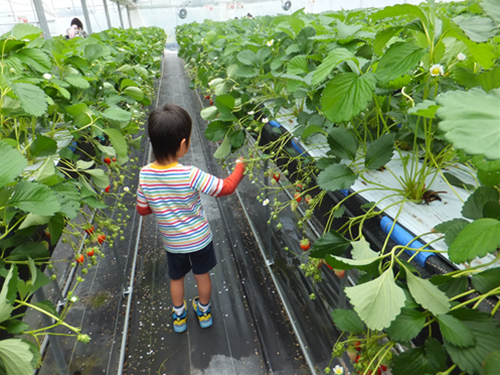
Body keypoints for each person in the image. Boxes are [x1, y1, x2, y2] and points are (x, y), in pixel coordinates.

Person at [136, 103, 245, 333]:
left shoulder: (145, 175)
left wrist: (161, 204)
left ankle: (179, 316)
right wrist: (239, 167)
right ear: (183, 144)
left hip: (173, 242)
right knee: (201, 275)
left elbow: (143, 210)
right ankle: (203, 311)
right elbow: (225, 188)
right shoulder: (190, 174)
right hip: (199, 239)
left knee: (176, 278)